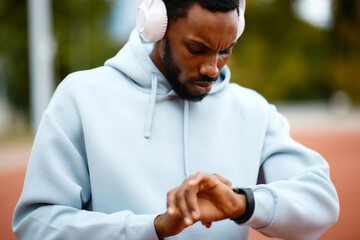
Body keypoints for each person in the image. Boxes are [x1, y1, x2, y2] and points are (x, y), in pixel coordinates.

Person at [13, 0, 339, 239]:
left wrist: (243, 204)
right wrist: (152, 228)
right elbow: (37, 223)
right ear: (157, 26)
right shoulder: (81, 96)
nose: (213, 67)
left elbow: (321, 200)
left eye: (225, 49)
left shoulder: (252, 109)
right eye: (197, 48)